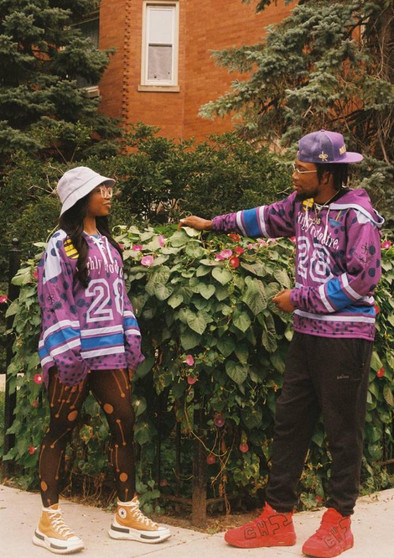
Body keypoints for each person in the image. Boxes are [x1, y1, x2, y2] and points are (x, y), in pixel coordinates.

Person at [180, 130, 384, 558]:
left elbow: (364, 279)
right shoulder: (302, 206)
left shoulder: (357, 216)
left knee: (342, 432)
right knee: (290, 423)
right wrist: (211, 224)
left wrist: (301, 298)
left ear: (326, 174)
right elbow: (260, 218)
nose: (293, 174)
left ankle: (339, 522)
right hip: (308, 334)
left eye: (300, 168)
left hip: (346, 338)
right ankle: (278, 517)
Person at [33, 167, 171, 554]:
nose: (109, 193)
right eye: (100, 189)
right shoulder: (60, 243)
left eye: (109, 187)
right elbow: (53, 298)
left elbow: (119, 295)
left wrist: (131, 335)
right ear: (80, 197)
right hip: (73, 353)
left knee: (124, 421)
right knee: (61, 428)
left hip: (109, 351)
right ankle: (49, 519)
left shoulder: (108, 243)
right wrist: (66, 350)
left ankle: (126, 511)